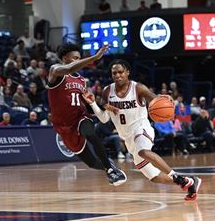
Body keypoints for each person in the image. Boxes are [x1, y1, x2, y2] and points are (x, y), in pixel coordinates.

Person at [83, 59, 202, 201]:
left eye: (121, 72)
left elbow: (157, 101)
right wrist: (93, 104)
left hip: (142, 128)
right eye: (114, 73)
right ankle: (190, 181)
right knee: (153, 176)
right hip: (127, 138)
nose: (117, 75)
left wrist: (166, 100)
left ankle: (177, 177)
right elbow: (104, 119)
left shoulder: (138, 88)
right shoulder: (107, 91)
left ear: (127, 72)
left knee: (143, 151)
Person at [47, 43, 126, 186]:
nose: (77, 61)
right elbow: (69, 68)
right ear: (64, 58)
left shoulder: (82, 81)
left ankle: (110, 170)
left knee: (91, 134)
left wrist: (100, 105)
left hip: (80, 117)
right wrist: (95, 57)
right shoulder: (55, 70)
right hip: (64, 126)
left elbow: (87, 105)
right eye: (74, 58)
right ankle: (109, 166)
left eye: (79, 58)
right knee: (91, 163)